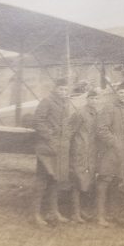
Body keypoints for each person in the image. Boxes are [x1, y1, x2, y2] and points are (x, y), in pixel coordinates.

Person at [32, 78, 71, 226]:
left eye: (66, 90)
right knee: (41, 181)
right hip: (46, 147)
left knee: (55, 180)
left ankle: (54, 212)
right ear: (55, 88)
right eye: (61, 89)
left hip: (59, 148)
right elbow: (37, 121)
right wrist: (50, 136)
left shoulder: (64, 104)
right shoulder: (47, 101)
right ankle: (36, 215)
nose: (63, 92)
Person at [96, 82, 124, 227]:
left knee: (116, 183)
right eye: (121, 92)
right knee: (104, 182)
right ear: (116, 93)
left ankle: (112, 215)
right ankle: (100, 217)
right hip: (110, 152)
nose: (123, 95)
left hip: (123, 154)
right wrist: (115, 142)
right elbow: (101, 129)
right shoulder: (109, 108)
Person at [69, 90, 99, 223]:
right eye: (91, 98)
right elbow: (71, 132)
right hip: (79, 152)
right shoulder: (80, 113)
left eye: (96, 99)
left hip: (90, 153)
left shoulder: (97, 114)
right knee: (77, 181)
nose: (94, 101)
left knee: (87, 181)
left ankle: (82, 211)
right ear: (87, 99)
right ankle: (75, 213)